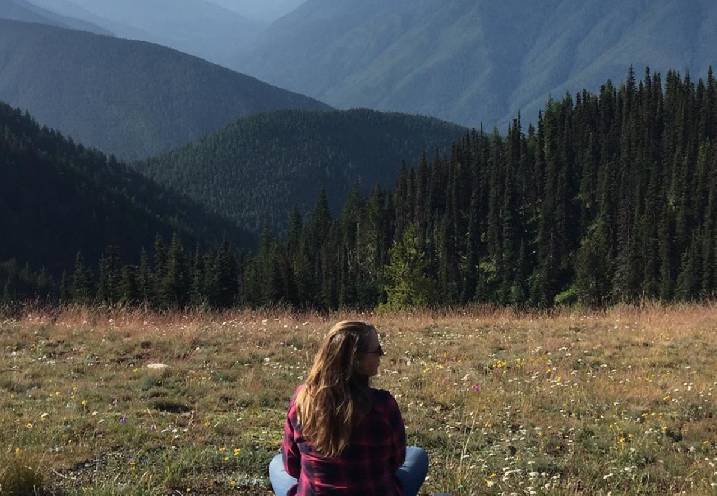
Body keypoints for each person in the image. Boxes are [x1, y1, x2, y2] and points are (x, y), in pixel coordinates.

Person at [269, 320, 429, 496]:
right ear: (356, 359)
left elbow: (292, 467)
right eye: (376, 350)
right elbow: (396, 460)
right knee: (418, 455)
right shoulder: (383, 405)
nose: (381, 355)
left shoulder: (302, 401)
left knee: (276, 464)